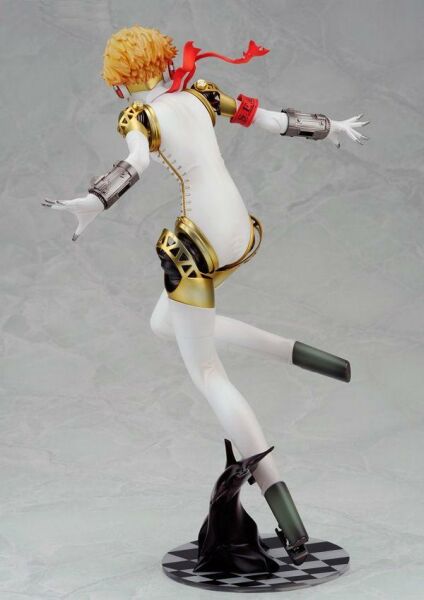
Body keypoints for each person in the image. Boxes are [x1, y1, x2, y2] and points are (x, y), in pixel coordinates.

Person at [42, 25, 369, 565]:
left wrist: (95, 201)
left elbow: (136, 163)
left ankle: (289, 519)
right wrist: (329, 125)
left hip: (199, 245)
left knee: (209, 373)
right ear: (164, 61)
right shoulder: (201, 93)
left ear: (120, 83)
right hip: (239, 231)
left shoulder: (141, 116)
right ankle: (298, 353)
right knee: (163, 323)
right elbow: (272, 120)